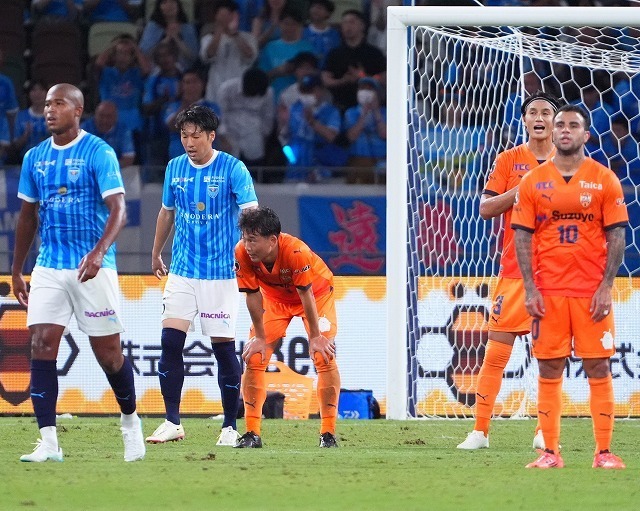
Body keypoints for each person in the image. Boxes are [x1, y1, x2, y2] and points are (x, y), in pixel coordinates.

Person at [11, 83, 145, 463]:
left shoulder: (98, 152)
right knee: (40, 345)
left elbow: (118, 209)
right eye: (47, 104)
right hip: (50, 266)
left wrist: (100, 252)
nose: (49, 110)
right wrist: (18, 269)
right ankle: (49, 442)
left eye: (58, 103)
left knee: (109, 356)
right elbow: (27, 216)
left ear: (77, 110)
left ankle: (130, 423)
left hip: (92, 267)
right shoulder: (34, 157)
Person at [512, 104, 628, 469]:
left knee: (598, 366)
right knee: (549, 369)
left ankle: (604, 452)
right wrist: (530, 289)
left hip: (590, 291)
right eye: (559, 124)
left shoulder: (604, 178)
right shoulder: (532, 181)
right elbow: (522, 238)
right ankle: (550, 452)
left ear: (585, 134)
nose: (564, 130)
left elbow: (618, 234)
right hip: (548, 293)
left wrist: (607, 287)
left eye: (572, 125)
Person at [457, 91, 564, 451]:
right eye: (532, 111)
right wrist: (521, 189)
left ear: (555, 121)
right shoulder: (508, 160)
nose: (539, 117)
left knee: (548, 357)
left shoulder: (567, 162)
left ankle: (544, 431)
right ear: (524, 119)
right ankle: (480, 432)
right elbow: (486, 209)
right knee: (495, 354)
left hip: (554, 275)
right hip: (514, 272)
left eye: (546, 112)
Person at [146, 105, 258, 447]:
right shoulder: (174, 168)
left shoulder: (232, 168)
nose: (189, 142)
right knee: (169, 343)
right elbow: (167, 212)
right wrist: (155, 252)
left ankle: (228, 427)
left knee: (223, 349)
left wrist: (249, 255)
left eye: (196, 135)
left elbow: (251, 213)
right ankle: (172, 422)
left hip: (221, 275)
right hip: (182, 271)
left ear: (211, 135)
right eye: (184, 135)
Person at [234, 207, 341, 448]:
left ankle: (328, 433)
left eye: (253, 240)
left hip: (316, 295)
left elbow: (306, 295)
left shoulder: (296, 251)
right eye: (244, 238)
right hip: (275, 299)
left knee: (323, 356)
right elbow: (252, 294)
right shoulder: (241, 252)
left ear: (272, 240)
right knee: (255, 356)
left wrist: (315, 337)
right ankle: (252, 433)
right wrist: (260, 337)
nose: (247, 245)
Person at [199, 0, 258, 104]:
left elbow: (250, 56)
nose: (225, 19)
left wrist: (235, 34)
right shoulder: (208, 38)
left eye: (229, 15)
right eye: (222, 15)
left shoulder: (249, 38)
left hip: (239, 89)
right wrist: (219, 30)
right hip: (215, 89)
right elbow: (208, 55)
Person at [82, 100, 136, 168]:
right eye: (101, 116)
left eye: (109, 116)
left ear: (116, 117)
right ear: (95, 115)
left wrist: (107, 168)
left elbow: (128, 158)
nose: (104, 120)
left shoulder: (123, 130)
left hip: (114, 169)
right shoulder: (84, 129)